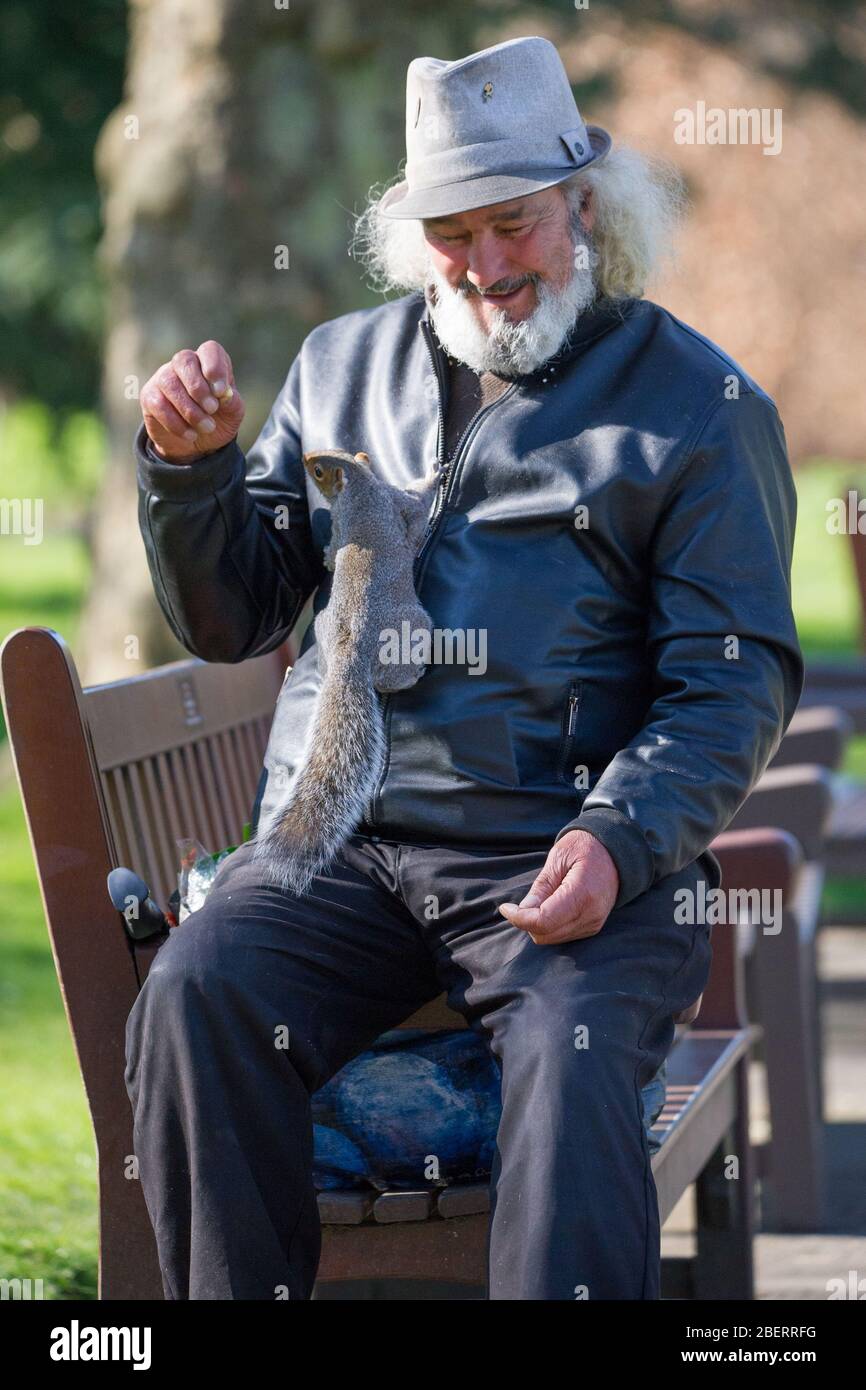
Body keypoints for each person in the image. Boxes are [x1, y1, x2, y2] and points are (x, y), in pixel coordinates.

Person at [125, 34, 803, 1300]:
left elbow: (735, 677)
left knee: (569, 1041)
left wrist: (619, 835)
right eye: (452, 231)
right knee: (198, 992)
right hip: (344, 852)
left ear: (581, 209)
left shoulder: (699, 407)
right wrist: (192, 469)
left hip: (570, 854)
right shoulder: (337, 366)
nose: (486, 267)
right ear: (411, 233)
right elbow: (232, 616)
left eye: (513, 224)